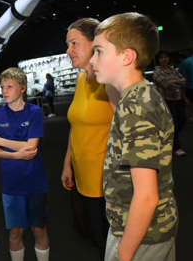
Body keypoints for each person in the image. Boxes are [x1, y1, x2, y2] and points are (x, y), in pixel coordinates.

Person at [90, 12, 178, 261]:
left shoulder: (137, 105)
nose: (92, 59)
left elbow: (147, 195)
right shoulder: (137, 96)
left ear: (127, 57)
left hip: (140, 235)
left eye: (99, 51)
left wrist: (125, 253)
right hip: (144, 229)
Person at [61, 17, 119, 260]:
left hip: (108, 183)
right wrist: (67, 164)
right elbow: (76, 125)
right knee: (98, 241)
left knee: (112, 244)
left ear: (95, 43)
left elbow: (127, 131)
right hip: (84, 179)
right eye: (68, 44)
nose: (68, 50)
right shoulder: (80, 80)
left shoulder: (108, 83)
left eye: (74, 43)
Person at [0, 67, 50, 261]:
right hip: (11, 184)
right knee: (15, 232)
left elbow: (32, 146)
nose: (4, 91)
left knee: (39, 229)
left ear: (22, 88)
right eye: (2, 87)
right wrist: (17, 156)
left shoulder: (34, 112)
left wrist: (3, 142)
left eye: (9, 86)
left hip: (35, 182)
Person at [153, 51, 187, 157]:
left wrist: (174, 81)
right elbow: (166, 84)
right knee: (174, 123)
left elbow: (184, 80)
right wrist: (176, 81)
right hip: (167, 100)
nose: (164, 59)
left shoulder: (172, 69)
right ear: (158, 60)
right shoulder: (157, 72)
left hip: (178, 98)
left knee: (183, 120)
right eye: (161, 58)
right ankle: (176, 147)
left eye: (166, 57)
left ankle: (168, 139)